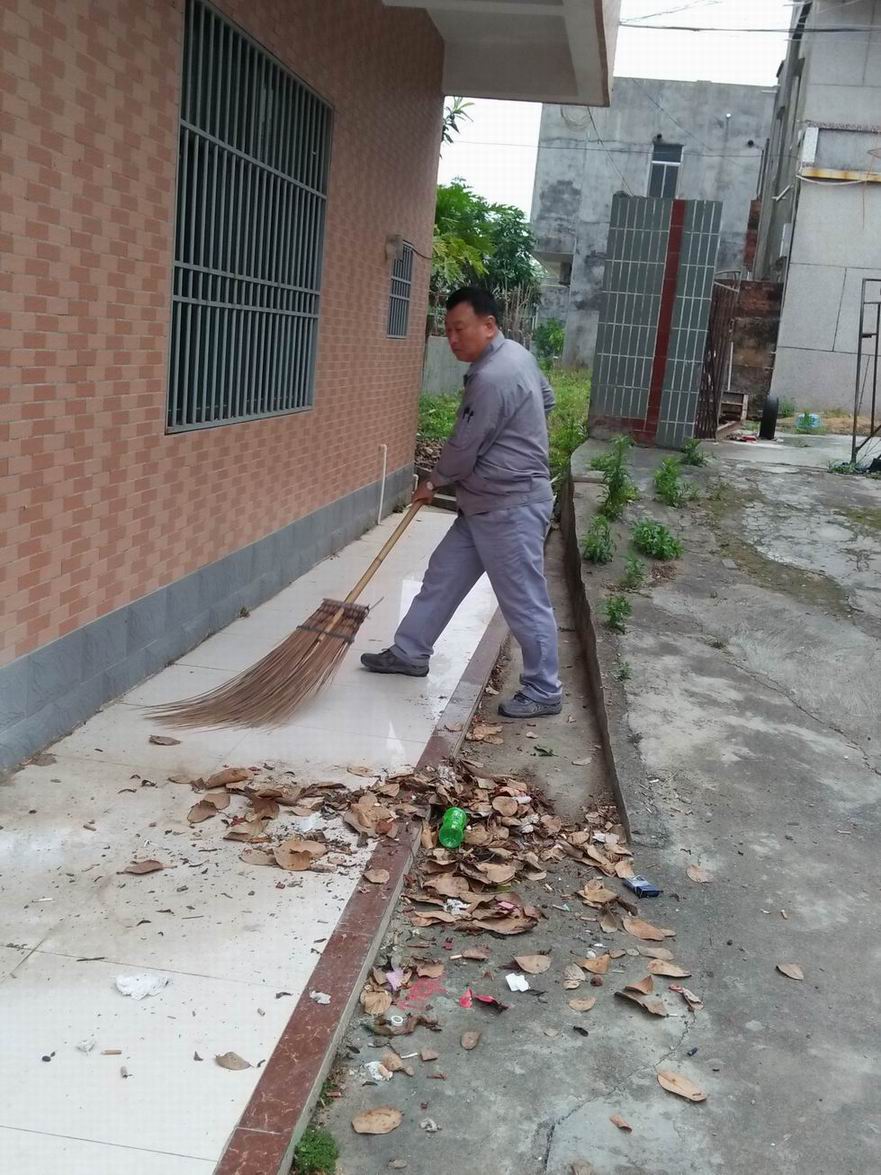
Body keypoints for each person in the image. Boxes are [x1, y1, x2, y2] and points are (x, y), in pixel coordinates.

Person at [361, 287, 562, 719]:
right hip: (483, 500)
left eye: (460, 329)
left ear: (488, 326)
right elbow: (547, 400)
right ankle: (410, 651)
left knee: (523, 600)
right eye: (447, 330)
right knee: (443, 574)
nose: (452, 339)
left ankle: (544, 689)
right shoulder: (518, 356)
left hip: (509, 506)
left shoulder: (492, 377)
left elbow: (463, 446)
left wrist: (433, 481)